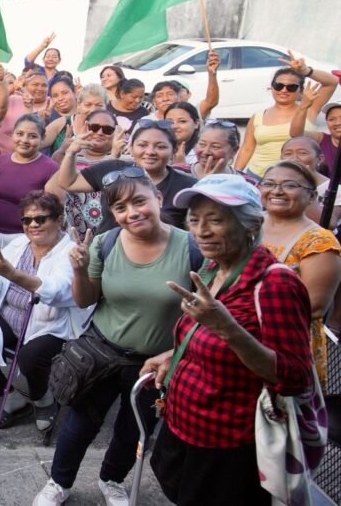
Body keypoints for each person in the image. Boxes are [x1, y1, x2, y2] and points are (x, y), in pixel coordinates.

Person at [141, 174, 313, 506]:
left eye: (216, 220)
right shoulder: (212, 267)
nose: (201, 231)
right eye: (194, 220)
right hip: (182, 425)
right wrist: (175, 354)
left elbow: (295, 377)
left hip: (227, 444)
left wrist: (228, 329)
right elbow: (208, 336)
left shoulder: (275, 284)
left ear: (251, 225)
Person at [34, 169, 200, 506]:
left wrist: (180, 353)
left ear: (159, 198)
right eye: (120, 208)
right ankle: (59, 481)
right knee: (79, 424)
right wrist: (79, 269)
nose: (132, 213)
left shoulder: (192, 248)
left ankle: (112, 480)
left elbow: (203, 311)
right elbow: (85, 299)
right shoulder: (105, 243)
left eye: (139, 201)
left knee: (134, 429)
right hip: (101, 353)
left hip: (156, 364)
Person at [0, 191, 85, 431]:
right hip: (11, 316)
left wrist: (13, 274)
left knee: (30, 357)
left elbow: (56, 291)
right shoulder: (18, 244)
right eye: (27, 220)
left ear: (59, 220)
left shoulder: (69, 252)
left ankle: (42, 398)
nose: (33, 225)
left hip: (52, 325)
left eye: (41, 218)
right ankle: (10, 396)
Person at [259, 159, 341, 386]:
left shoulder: (319, 241)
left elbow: (313, 307)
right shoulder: (248, 226)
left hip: (287, 345)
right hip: (237, 335)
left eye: (290, 185)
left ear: (312, 197)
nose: (277, 191)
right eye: (269, 184)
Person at [50, 119, 196, 233]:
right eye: (142, 145)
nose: (150, 152)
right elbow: (68, 183)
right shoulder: (112, 169)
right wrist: (71, 153)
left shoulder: (188, 187)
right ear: (131, 148)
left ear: (174, 151)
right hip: (107, 253)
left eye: (161, 147)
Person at [235, 53, 338, 177]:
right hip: (258, 177)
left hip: (298, 177)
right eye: (278, 86)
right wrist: (235, 174)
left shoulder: (308, 108)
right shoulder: (258, 116)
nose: (284, 90)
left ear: (300, 90)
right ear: (271, 88)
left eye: (291, 87)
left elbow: (332, 82)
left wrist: (306, 71)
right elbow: (247, 149)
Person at [0, 114, 59, 260]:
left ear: (42, 138)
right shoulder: (0, 161)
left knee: (16, 276)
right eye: (20, 134)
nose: (24, 140)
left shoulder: (51, 169)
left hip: (25, 240)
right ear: (13, 134)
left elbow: (55, 213)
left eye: (32, 136)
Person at [47, 109, 119, 239]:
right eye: (94, 128)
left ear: (115, 132)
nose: (100, 133)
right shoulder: (72, 156)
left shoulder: (124, 158)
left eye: (107, 130)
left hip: (110, 236)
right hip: (73, 237)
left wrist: (115, 157)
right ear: (85, 128)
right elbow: (51, 190)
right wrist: (70, 152)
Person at [280, 135, 341, 227]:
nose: (294, 159)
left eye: (303, 153)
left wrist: (303, 184)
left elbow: (329, 224)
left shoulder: (336, 189)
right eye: (288, 154)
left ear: (320, 158)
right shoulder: (275, 185)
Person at [188, 119, 257, 183]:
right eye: (202, 144)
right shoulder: (182, 173)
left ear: (234, 150)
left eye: (215, 147)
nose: (206, 152)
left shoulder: (246, 183)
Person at [292, 95, 341, 172]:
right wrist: (303, 107)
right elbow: (296, 135)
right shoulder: (323, 139)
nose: (338, 123)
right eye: (331, 119)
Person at [166, 101, 201, 167]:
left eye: (182, 121)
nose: (174, 126)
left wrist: (181, 165)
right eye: (169, 122)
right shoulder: (156, 149)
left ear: (196, 123)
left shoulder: (203, 152)